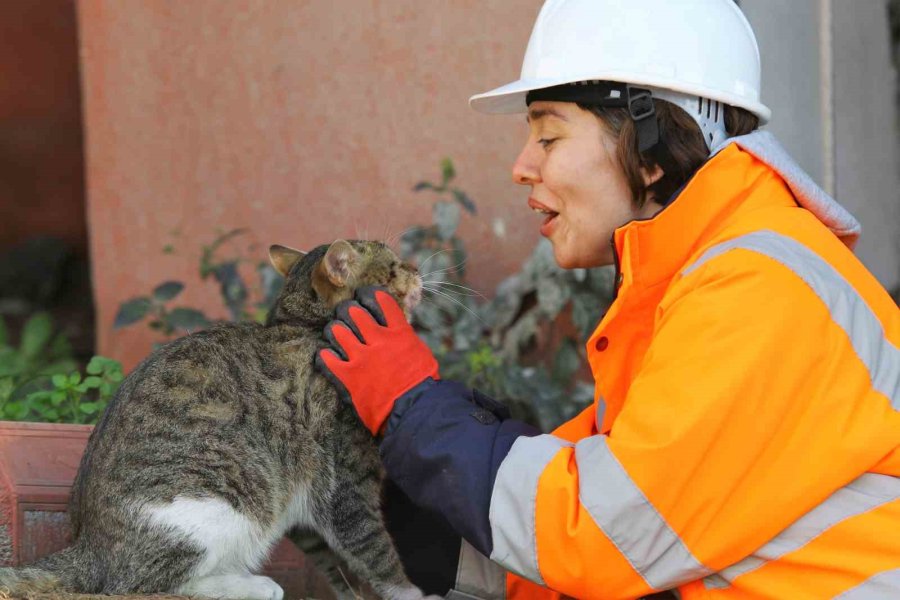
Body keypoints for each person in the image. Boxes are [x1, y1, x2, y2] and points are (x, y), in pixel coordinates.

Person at [316, 0, 900, 598]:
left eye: (548, 135)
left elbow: (601, 535)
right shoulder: (694, 281)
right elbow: (585, 503)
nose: (521, 167)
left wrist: (415, 410)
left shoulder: (756, 291)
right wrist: (419, 509)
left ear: (648, 150)